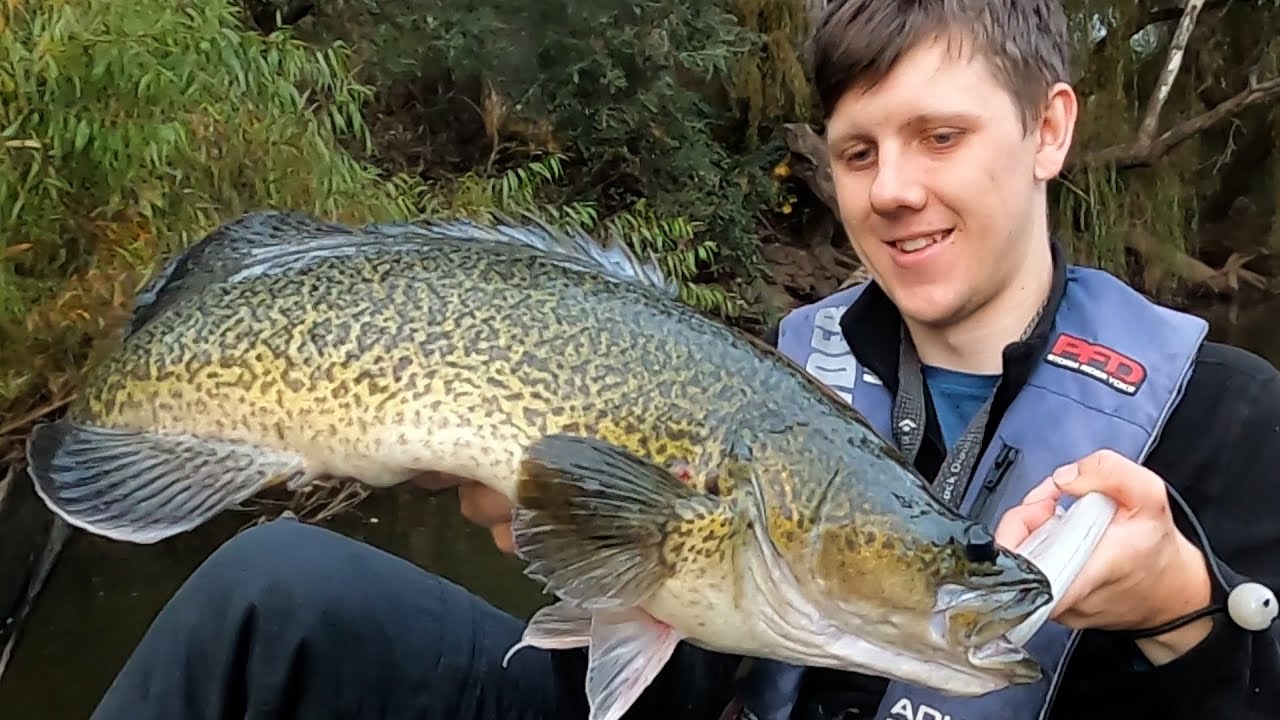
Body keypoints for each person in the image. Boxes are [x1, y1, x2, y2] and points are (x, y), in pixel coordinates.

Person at [86, 1, 1280, 719]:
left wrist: (1186, 615)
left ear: (1048, 130)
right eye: (857, 152)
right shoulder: (789, 369)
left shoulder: (1219, 415)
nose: (895, 189)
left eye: (939, 136)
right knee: (274, 594)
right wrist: (593, 560)